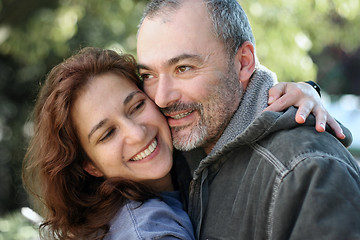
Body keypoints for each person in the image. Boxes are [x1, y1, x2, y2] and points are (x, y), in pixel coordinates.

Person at [136, 0, 360, 239]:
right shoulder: (167, 155)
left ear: (243, 62)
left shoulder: (306, 171)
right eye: (148, 75)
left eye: (183, 68)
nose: (161, 98)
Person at [22, 47, 195, 240]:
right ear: (90, 165)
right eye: (107, 134)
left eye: (137, 106)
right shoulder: (148, 232)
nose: (136, 134)